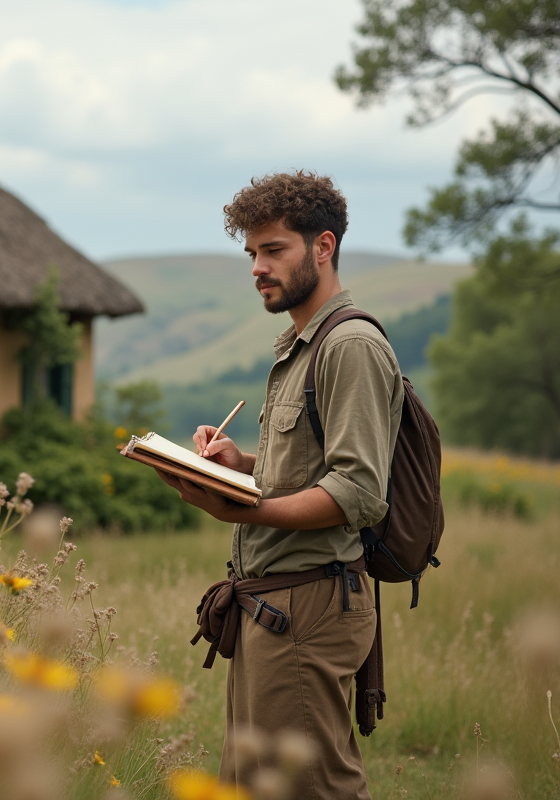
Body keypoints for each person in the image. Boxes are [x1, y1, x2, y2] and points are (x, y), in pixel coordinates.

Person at [154, 171, 402, 799]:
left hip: (309, 607)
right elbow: (309, 469)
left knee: (310, 788)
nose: (258, 268)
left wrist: (247, 508)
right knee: (259, 784)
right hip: (271, 607)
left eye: (273, 250)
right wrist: (241, 468)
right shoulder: (298, 345)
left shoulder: (350, 345)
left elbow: (357, 493)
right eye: (252, 254)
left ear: (323, 247)